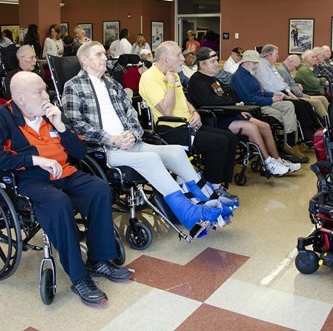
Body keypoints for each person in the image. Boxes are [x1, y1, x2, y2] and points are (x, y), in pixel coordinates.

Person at [0, 71, 133, 305]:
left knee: (99, 189)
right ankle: (79, 277)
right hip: (28, 179)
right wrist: (33, 160)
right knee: (58, 202)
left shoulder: (51, 114)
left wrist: (61, 126)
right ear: (20, 99)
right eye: (38, 92)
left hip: (63, 172)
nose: (46, 95)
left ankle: (99, 259)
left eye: (45, 89)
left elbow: (80, 153)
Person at [62, 41, 234, 229]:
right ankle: (187, 211)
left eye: (104, 53)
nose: (105, 57)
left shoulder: (112, 84)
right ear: (85, 60)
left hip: (131, 142)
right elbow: (75, 125)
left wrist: (134, 135)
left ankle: (208, 197)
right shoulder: (73, 86)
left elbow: (132, 114)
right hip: (104, 149)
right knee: (151, 157)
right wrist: (111, 139)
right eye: (99, 55)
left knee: (176, 152)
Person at [139, 41, 239, 195]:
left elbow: (185, 101)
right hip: (171, 128)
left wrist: (195, 113)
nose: (182, 58)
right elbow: (166, 111)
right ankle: (210, 187)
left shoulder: (172, 74)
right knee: (219, 142)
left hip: (188, 123)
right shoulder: (149, 77)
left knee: (230, 137)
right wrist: (171, 84)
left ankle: (220, 184)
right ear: (165, 59)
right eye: (178, 55)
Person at [188, 47, 301, 176]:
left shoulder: (214, 80)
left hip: (228, 113)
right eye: (213, 61)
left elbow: (227, 95)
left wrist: (237, 108)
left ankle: (277, 160)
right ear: (202, 64)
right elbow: (210, 101)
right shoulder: (196, 80)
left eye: (216, 60)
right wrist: (234, 104)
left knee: (264, 126)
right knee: (251, 128)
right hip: (215, 118)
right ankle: (268, 163)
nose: (216, 64)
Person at [231, 50, 309, 163]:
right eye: (255, 63)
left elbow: (259, 93)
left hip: (260, 103)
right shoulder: (238, 77)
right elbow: (248, 99)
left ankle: (288, 144)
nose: (257, 66)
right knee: (288, 113)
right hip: (254, 107)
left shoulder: (248, 75)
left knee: (288, 108)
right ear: (246, 62)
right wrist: (270, 99)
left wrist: (272, 95)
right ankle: (289, 144)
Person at [255, 44, 320, 143]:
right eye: (276, 54)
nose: (278, 56)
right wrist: (286, 96)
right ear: (269, 55)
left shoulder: (270, 65)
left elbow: (282, 82)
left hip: (282, 92)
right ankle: (307, 134)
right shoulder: (261, 66)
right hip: (272, 95)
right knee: (299, 105)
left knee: (305, 104)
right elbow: (268, 87)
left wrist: (290, 93)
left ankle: (316, 129)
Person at [276, 54, 329, 118]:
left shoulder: (286, 69)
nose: (294, 69)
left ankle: (332, 118)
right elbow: (287, 89)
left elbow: (290, 84)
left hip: (297, 94)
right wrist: (302, 95)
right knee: (317, 102)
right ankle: (329, 123)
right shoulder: (282, 70)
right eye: (294, 67)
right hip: (294, 96)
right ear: (290, 61)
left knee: (322, 98)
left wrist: (297, 84)